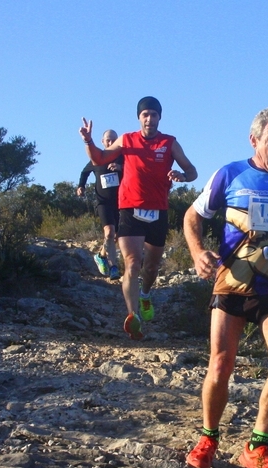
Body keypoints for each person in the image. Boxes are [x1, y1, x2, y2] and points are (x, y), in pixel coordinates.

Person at [183, 107, 268, 468]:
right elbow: (193, 217)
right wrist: (196, 252)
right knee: (221, 364)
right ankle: (208, 437)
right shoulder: (230, 173)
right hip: (232, 284)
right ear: (254, 139)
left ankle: (257, 446)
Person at [79, 96, 197, 340]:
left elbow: (192, 171)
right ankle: (133, 316)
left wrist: (181, 177)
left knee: (151, 267)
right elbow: (99, 159)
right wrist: (89, 140)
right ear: (139, 117)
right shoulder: (127, 139)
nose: (149, 119)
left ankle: (145, 294)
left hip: (158, 211)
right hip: (130, 209)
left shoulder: (170, 143)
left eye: (154, 114)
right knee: (132, 263)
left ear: (159, 117)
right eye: (145, 114)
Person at [77, 129, 123, 280]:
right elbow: (85, 172)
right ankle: (114, 268)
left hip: (120, 202)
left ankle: (101, 256)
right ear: (103, 142)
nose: (110, 142)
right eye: (108, 140)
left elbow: (135, 172)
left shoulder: (123, 158)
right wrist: (81, 186)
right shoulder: (96, 159)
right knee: (109, 233)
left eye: (113, 140)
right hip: (103, 202)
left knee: (115, 237)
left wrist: (121, 168)